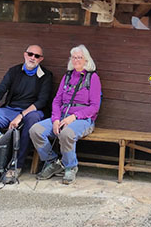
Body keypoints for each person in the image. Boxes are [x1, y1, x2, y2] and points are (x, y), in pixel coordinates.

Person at [0, 44, 52, 180]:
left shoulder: (46, 76)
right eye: (30, 54)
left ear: (41, 59)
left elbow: (41, 101)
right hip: (10, 110)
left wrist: (21, 115)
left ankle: (16, 166)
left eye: (36, 56)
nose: (32, 58)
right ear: (25, 54)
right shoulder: (14, 71)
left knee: (31, 121)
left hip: (32, 112)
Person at [30, 44, 101, 185]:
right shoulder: (67, 76)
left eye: (79, 57)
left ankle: (70, 166)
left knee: (66, 134)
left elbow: (94, 107)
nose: (76, 60)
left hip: (83, 119)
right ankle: (53, 162)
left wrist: (74, 117)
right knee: (35, 130)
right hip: (61, 116)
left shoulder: (92, 78)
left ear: (86, 60)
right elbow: (57, 101)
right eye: (74, 57)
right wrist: (55, 119)